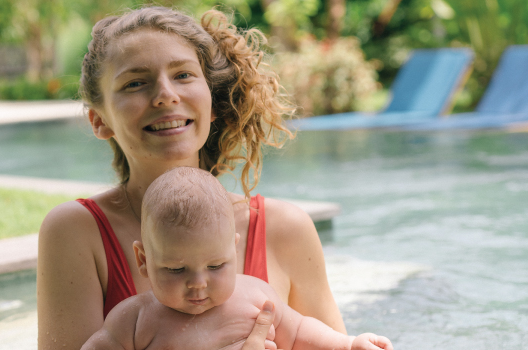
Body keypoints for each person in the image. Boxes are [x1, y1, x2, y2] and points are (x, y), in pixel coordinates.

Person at [38, 6, 344, 349]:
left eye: (183, 75)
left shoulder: (285, 229)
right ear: (99, 120)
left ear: (212, 102)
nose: (166, 95)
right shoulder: (77, 232)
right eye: (135, 83)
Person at [80, 167, 393, 350]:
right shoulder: (134, 320)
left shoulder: (256, 297)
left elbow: (299, 333)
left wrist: (349, 344)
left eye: (215, 266)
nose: (198, 284)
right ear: (143, 260)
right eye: (176, 269)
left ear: (234, 249)